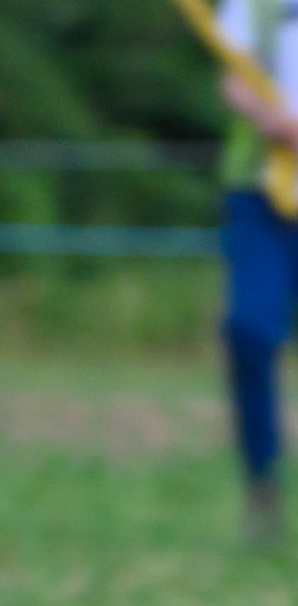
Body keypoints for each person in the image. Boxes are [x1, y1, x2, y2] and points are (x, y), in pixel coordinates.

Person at [210, 0, 298, 542]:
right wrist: (275, 122)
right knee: (250, 329)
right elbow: (234, 78)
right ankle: (262, 484)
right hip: (260, 188)